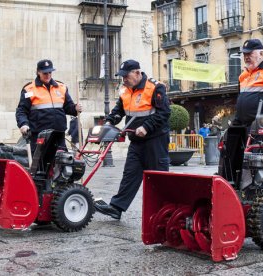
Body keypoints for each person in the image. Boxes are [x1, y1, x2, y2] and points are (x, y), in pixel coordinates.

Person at [94, 59, 171, 220]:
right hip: (136, 139)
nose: (124, 80)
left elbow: (164, 113)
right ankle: (117, 207)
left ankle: (165, 211)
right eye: (122, 77)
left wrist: (146, 127)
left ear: (137, 73)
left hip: (155, 140)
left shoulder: (155, 87)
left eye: (126, 76)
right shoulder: (125, 90)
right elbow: (119, 110)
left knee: (158, 176)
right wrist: (109, 121)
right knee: (130, 173)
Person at [234, 39, 263, 188]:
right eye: (244, 54)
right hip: (245, 126)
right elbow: (241, 99)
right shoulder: (244, 75)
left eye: (249, 54)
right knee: (244, 162)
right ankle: (247, 191)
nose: (246, 57)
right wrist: (236, 120)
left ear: (261, 53)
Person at [16, 59, 82, 152]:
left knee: (62, 162)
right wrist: (23, 124)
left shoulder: (61, 87)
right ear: (38, 72)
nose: (48, 75)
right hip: (39, 135)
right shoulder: (29, 90)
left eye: (50, 72)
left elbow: (68, 107)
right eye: (45, 73)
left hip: (58, 135)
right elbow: (21, 111)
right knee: (41, 164)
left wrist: (75, 108)